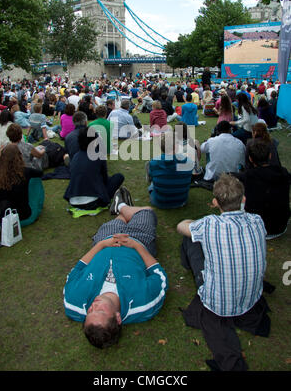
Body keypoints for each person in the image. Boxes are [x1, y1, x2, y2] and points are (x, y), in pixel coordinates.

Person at [178, 173, 270, 371]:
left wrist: (188, 221)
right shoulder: (257, 221)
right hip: (251, 299)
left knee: (190, 239)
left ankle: (188, 267)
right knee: (197, 238)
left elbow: (180, 227)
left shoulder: (209, 224)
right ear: (243, 199)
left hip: (217, 303)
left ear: (215, 202)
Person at [63, 196, 168, 348]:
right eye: (100, 311)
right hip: (139, 240)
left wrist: (102, 244)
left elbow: (77, 269)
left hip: (105, 240)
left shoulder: (74, 303)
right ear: (118, 318)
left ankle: (122, 210)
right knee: (147, 211)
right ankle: (123, 206)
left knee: (118, 220)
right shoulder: (144, 302)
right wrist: (136, 246)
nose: (93, 306)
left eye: (90, 312)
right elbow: (159, 275)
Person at [235, 139, 290, 240]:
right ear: (270, 155)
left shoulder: (246, 177)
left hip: (257, 229)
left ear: (250, 159)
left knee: (236, 200)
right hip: (280, 225)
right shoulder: (283, 172)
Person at [64, 127, 124, 210]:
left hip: (73, 199)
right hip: (94, 201)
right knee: (119, 177)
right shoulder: (99, 155)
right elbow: (104, 179)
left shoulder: (75, 157)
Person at [0, 144, 43, 238]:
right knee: (35, 181)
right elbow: (40, 173)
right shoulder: (26, 171)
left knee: (4, 202)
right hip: (23, 214)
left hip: (3, 215)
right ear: (19, 156)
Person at [147, 132, 194, 209]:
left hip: (160, 201)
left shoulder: (153, 162)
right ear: (176, 146)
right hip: (181, 200)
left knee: (152, 185)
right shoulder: (188, 161)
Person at [198, 121, 245, 186]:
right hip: (234, 175)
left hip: (215, 176)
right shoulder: (239, 143)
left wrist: (210, 139)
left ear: (217, 131)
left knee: (209, 150)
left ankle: (210, 169)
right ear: (230, 130)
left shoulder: (212, 141)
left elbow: (202, 149)